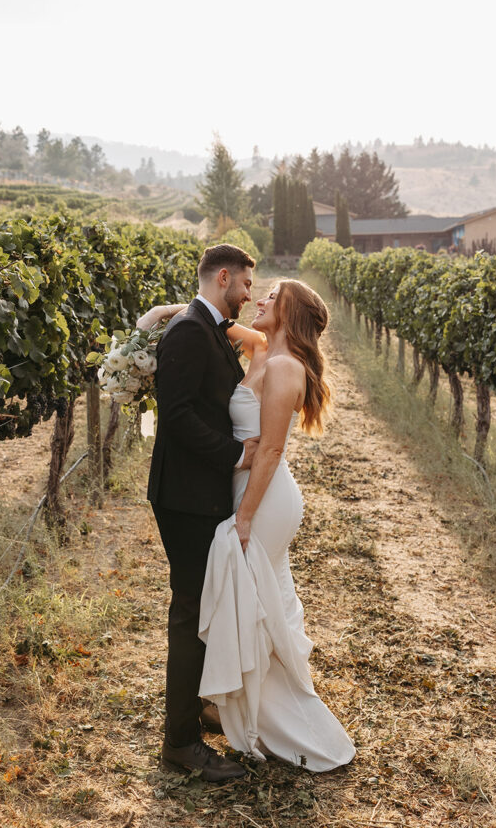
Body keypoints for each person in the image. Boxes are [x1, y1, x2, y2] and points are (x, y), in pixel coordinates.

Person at [141, 272, 355, 775]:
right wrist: (157, 315)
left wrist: (244, 516)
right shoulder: (262, 347)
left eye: (273, 296)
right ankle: (232, 702)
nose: (260, 298)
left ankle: (274, 716)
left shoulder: (284, 368)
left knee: (253, 600)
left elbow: (273, 448)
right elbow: (204, 316)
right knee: (258, 597)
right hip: (244, 487)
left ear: (291, 314)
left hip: (264, 496)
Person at [140, 243, 259, 783]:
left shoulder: (205, 324)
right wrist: (236, 455)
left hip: (198, 492)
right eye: (247, 285)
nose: (249, 293)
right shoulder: (190, 331)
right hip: (185, 495)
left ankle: (196, 710)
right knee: (189, 612)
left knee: (200, 605)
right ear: (225, 277)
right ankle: (180, 743)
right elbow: (178, 415)